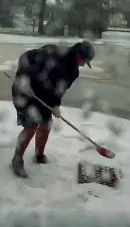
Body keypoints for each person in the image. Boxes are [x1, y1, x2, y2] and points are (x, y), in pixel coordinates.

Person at [11, 40, 95, 178]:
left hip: (43, 98)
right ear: (80, 56)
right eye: (85, 61)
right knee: (31, 127)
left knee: (45, 125)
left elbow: (59, 90)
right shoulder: (52, 53)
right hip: (24, 93)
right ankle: (16, 160)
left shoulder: (73, 72)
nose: (84, 64)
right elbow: (25, 58)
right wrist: (24, 81)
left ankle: (38, 155)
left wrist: (55, 105)